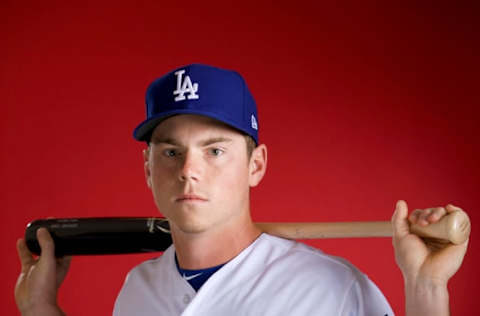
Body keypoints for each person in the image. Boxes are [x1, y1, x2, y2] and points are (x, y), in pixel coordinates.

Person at [15, 64, 469, 315]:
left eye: (214, 151)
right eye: (171, 152)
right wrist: (40, 310)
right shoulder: (139, 292)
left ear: (257, 165)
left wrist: (425, 287)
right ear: (148, 168)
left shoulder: (330, 291)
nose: (189, 170)